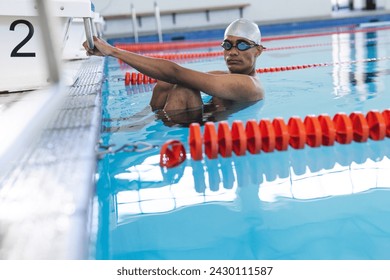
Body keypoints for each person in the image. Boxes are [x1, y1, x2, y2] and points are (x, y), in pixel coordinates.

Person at [83, 18, 265, 126]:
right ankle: (143, 122)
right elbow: (169, 77)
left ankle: (151, 132)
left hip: (199, 138)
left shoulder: (250, 85)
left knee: (184, 87)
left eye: (242, 45)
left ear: (258, 50)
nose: (233, 51)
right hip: (190, 125)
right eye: (227, 44)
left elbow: (175, 72)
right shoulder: (224, 77)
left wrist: (114, 51)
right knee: (167, 83)